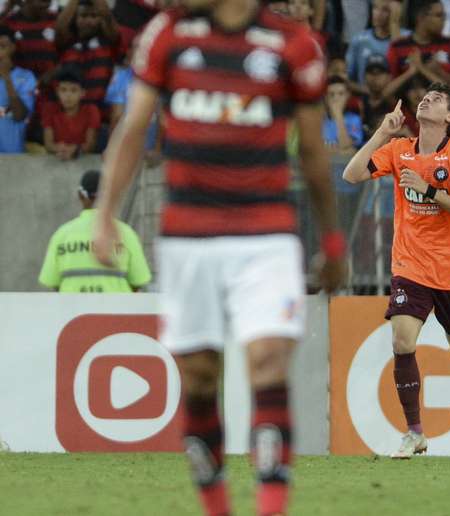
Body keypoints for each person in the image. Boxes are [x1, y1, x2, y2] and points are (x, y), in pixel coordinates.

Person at [92, 1, 346, 515]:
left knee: (267, 359)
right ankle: (218, 508)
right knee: (201, 378)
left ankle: (270, 507)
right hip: (189, 237)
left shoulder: (293, 45)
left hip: (266, 234)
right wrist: (105, 214)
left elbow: (314, 153)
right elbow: (134, 127)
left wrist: (332, 242)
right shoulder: (168, 35)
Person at [342, 82, 450, 461]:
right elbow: (352, 175)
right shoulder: (399, 150)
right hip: (410, 264)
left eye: (438, 99)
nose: (427, 99)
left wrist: (429, 191)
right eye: (426, 96)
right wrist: (381, 133)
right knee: (402, 342)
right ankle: (415, 434)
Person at [39, 170, 151, 293]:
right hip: (116, 310)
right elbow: (138, 281)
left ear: (80, 196)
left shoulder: (62, 234)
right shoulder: (125, 233)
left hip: (73, 310)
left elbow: (52, 282)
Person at [385, 0, 450, 98]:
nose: (444, 20)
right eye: (439, 15)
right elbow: (385, 91)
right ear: (421, 17)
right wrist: (412, 71)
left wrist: (440, 72)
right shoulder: (398, 47)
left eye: (444, 15)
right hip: (406, 111)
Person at [42, 68, 100, 159]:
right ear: (57, 92)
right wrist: (58, 148)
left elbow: (90, 145)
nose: (68, 95)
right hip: (56, 158)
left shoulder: (91, 111)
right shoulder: (49, 109)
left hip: (82, 160)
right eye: (63, 90)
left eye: (73, 90)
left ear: (82, 93)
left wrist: (75, 150)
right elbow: (48, 144)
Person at [346, 0, 407, 87]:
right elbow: (348, 79)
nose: (378, 14)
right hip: (364, 97)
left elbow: (401, 68)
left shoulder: (407, 37)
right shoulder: (359, 39)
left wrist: (394, 22)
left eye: (385, 10)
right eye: (375, 8)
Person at [0, 23, 35, 153]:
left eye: (2, 46)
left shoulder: (26, 77)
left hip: (12, 155)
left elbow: (20, 115)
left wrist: (7, 79)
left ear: (13, 48)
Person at [323, 75, 363, 154]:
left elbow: (345, 146)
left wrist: (338, 115)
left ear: (347, 96)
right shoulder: (318, 120)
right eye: (331, 94)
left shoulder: (354, 119)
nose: (336, 98)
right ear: (326, 97)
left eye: (341, 94)